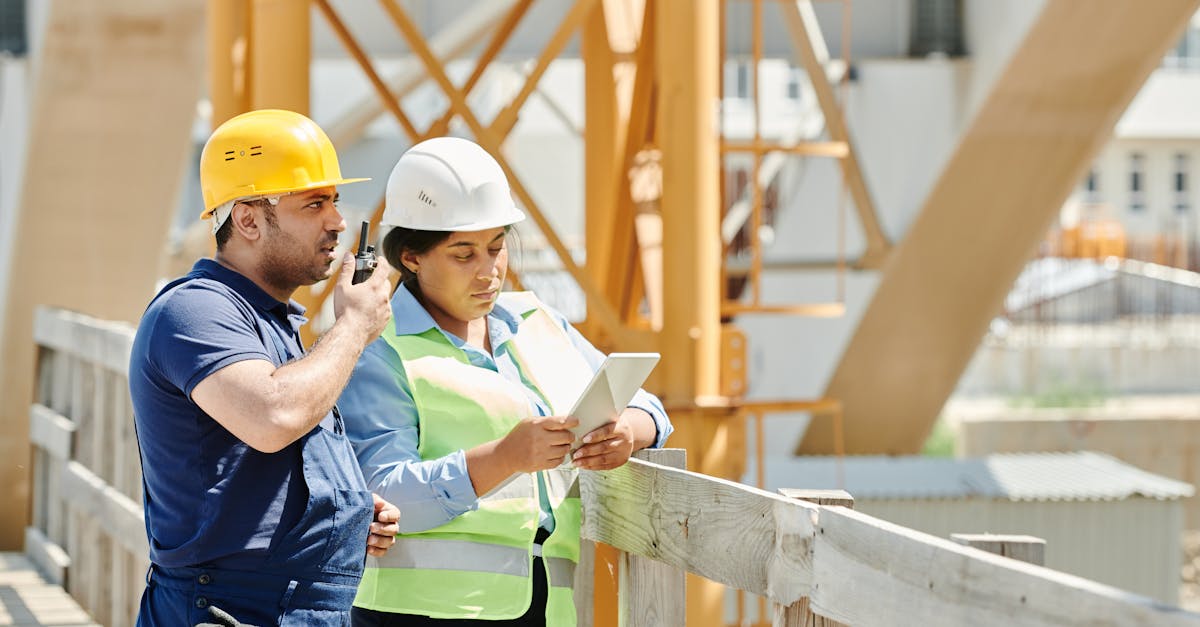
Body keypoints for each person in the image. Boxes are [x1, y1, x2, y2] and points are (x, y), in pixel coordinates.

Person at [338, 136, 674, 626]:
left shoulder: (539, 320)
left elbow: (648, 406)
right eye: (463, 254)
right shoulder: (379, 349)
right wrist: (505, 458)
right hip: (419, 614)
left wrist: (629, 431)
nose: (489, 272)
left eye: (497, 248)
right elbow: (382, 495)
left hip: (545, 608)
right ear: (411, 256)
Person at [129, 109, 402, 626]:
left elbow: (257, 467)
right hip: (232, 607)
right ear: (249, 219)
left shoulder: (270, 324)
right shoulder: (194, 310)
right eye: (314, 203)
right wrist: (353, 327)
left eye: (335, 201)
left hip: (281, 604)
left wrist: (343, 513)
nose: (338, 222)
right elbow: (274, 416)